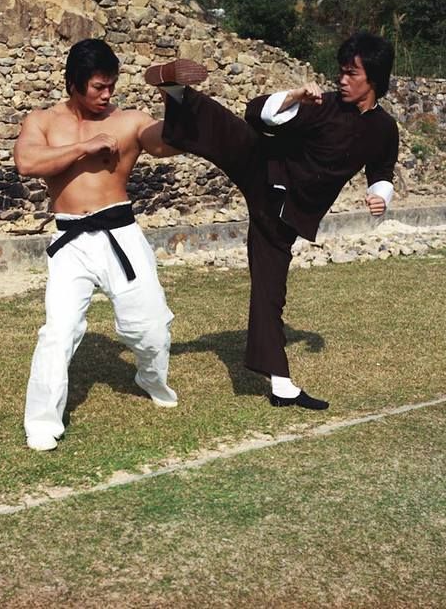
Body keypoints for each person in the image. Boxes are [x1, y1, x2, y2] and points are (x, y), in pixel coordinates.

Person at [145, 32, 399, 410]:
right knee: (231, 130)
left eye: (351, 74)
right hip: (263, 166)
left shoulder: (384, 130)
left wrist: (380, 196)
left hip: (283, 213)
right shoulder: (323, 105)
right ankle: (174, 88)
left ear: (373, 78)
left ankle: (281, 385)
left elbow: (382, 173)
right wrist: (295, 96)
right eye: (341, 72)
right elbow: (257, 112)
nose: (342, 80)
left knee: (270, 291)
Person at [14, 38, 180, 451]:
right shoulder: (43, 121)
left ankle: (149, 376)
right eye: (98, 87)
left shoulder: (128, 121)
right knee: (59, 331)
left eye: (112, 86)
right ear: (73, 83)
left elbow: (167, 144)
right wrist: (83, 147)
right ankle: (42, 421)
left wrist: (176, 99)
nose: (107, 96)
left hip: (121, 236)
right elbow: (27, 162)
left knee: (151, 329)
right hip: (70, 240)